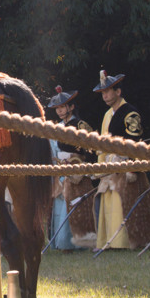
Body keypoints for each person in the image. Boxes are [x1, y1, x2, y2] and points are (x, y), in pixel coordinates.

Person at [93, 71, 150, 250]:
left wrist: (128, 164)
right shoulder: (108, 114)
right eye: (103, 93)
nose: (105, 95)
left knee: (124, 203)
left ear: (118, 92)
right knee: (109, 203)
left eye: (108, 91)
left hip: (125, 164)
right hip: (109, 164)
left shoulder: (130, 113)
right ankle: (110, 241)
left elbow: (134, 141)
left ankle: (125, 241)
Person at [45, 88, 96, 249]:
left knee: (76, 206)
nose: (59, 111)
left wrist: (82, 163)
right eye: (57, 108)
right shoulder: (57, 127)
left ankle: (77, 244)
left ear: (71, 107)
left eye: (63, 107)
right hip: (61, 169)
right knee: (61, 206)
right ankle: (61, 242)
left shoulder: (81, 125)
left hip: (77, 171)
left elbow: (92, 149)